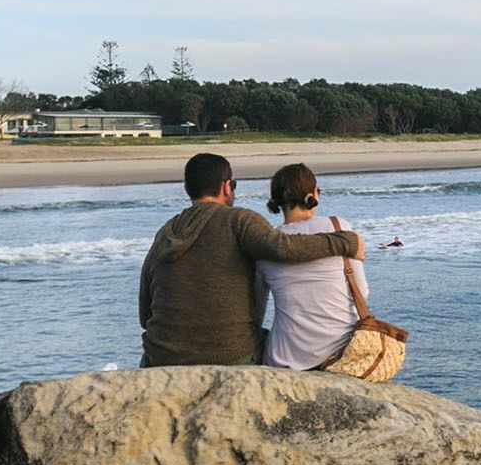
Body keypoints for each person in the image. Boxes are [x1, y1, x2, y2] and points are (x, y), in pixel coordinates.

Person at [137, 152, 362, 367]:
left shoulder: (165, 232)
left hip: (160, 356)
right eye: (233, 186)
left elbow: (145, 313)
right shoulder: (238, 220)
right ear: (226, 186)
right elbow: (283, 247)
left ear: (187, 189)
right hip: (227, 355)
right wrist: (346, 242)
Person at [256, 162, 406, 381]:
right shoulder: (339, 227)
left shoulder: (266, 245)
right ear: (313, 195)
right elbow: (361, 291)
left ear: (277, 201)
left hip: (286, 359)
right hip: (342, 352)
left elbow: (258, 308)